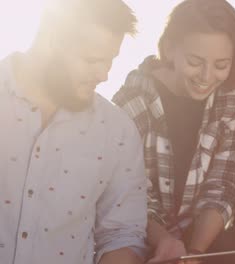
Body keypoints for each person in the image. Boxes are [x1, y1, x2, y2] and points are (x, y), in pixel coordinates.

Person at [0, 0, 148, 264]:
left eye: (111, 60)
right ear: (51, 41)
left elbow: (122, 234)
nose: (103, 74)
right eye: (92, 60)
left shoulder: (118, 132)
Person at [112, 0, 235, 263]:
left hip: (203, 239)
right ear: (169, 49)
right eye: (195, 61)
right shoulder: (129, 105)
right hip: (142, 238)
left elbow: (225, 183)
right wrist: (166, 243)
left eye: (221, 65)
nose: (206, 76)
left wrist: (194, 254)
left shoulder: (230, 97)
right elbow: (131, 194)